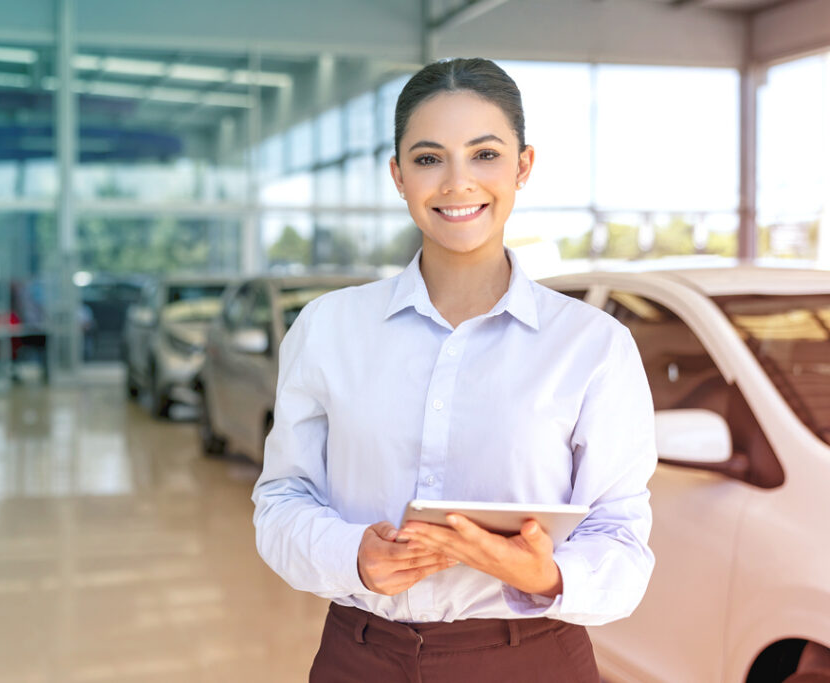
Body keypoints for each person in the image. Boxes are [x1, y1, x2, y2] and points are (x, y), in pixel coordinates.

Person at [252, 58, 657, 682]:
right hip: (362, 658)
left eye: (485, 154)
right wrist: (352, 555)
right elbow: (281, 501)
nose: (457, 183)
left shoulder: (594, 345)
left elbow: (622, 536)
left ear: (523, 166)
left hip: (532, 661)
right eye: (428, 158)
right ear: (398, 175)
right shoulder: (328, 328)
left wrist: (546, 574)